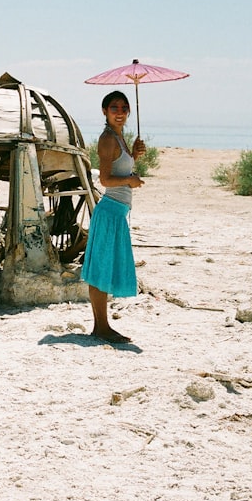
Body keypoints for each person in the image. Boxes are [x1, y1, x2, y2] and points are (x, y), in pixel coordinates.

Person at [81, 90, 145, 343]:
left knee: (104, 267)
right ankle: (101, 327)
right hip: (110, 212)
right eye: (114, 108)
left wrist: (134, 157)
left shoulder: (119, 138)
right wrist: (130, 180)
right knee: (100, 269)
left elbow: (119, 167)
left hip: (117, 213)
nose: (120, 112)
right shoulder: (108, 139)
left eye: (124, 108)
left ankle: (102, 326)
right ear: (104, 111)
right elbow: (105, 179)